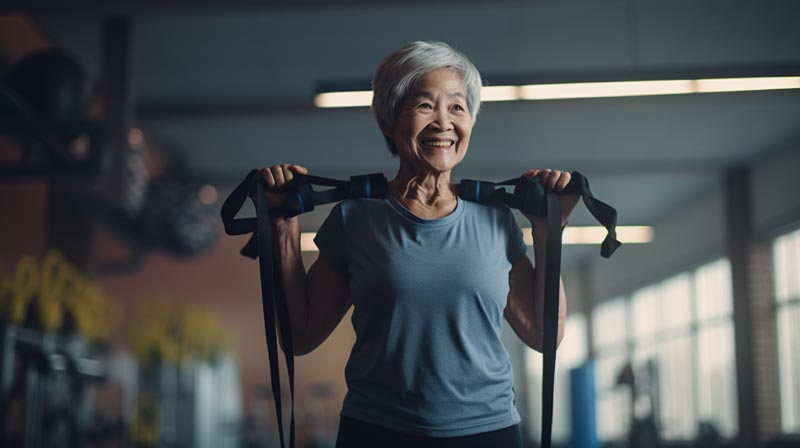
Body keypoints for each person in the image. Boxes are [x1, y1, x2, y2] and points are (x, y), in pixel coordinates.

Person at [261, 41, 578, 448]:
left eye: (458, 107)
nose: (443, 122)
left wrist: (549, 231)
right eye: (425, 105)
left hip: (487, 432)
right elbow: (300, 336)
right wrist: (282, 225)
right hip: (376, 431)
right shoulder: (356, 218)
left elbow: (543, 336)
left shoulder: (496, 218)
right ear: (389, 121)